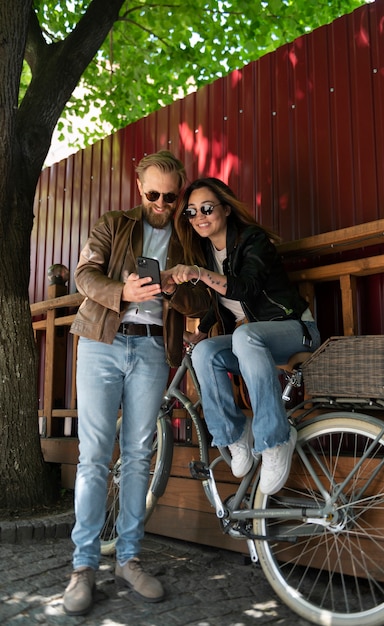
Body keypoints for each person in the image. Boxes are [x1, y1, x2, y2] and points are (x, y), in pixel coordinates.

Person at [63, 151, 209, 616]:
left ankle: (128, 558)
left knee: (139, 457)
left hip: (150, 349)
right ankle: (83, 567)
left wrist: (175, 288)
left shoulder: (187, 236)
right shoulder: (113, 223)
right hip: (102, 342)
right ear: (138, 185)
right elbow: (85, 274)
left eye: (171, 196)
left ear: (179, 190)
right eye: (153, 194)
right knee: (94, 456)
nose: (162, 203)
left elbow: (198, 301)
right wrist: (121, 291)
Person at [168, 177, 320, 496]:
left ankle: (275, 439)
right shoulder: (206, 252)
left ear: (225, 208)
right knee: (205, 353)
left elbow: (246, 289)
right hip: (251, 342)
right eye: (191, 212)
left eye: (207, 208)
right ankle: (236, 435)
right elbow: (225, 305)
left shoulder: (253, 239)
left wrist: (198, 274)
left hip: (295, 332)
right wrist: (199, 333)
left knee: (245, 336)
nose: (200, 217)